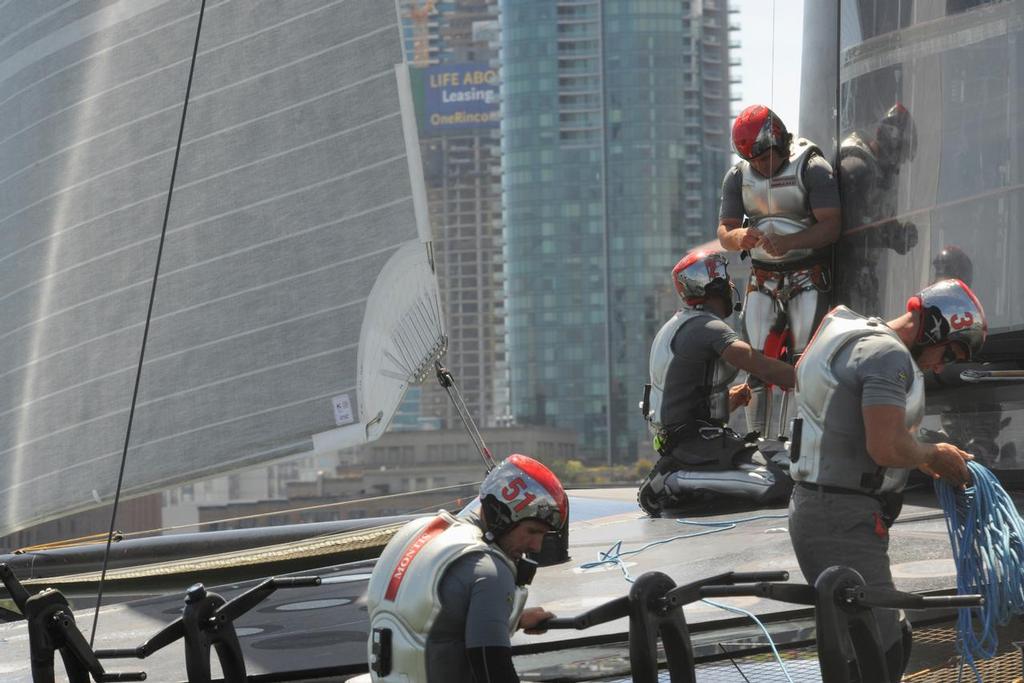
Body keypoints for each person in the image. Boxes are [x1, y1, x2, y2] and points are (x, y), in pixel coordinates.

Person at [788, 278, 987, 682]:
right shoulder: (887, 357)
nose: (939, 366)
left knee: (876, 636)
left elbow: (866, 434)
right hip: (841, 520)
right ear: (933, 328)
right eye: (947, 351)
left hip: (826, 510)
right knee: (878, 652)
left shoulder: (852, 333)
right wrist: (934, 455)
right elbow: (884, 445)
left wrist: (923, 460)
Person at [365, 454, 567, 682]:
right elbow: (493, 670)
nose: (536, 546)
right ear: (502, 516)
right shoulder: (491, 571)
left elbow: (431, 619)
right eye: (532, 531)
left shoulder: (418, 533)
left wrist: (513, 619)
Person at [637, 250, 797, 515]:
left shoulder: (682, 323)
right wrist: (815, 377)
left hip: (698, 441)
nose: (731, 286)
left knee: (790, 463)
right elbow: (763, 367)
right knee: (777, 483)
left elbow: (684, 402)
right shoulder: (708, 327)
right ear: (716, 286)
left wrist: (728, 401)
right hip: (694, 448)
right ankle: (670, 480)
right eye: (726, 281)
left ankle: (688, 478)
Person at [718, 104, 842, 437]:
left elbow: (832, 226)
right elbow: (725, 232)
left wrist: (791, 242)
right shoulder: (738, 177)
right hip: (762, 278)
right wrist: (741, 237)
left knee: (807, 364)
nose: (759, 167)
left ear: (778, 142)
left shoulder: (813, 167)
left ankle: (801, 440)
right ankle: (757, 440)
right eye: (752, 162)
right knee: (755, 364)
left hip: (808, 275)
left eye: (762, 159)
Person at [837, 104, 920, 315]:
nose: (899, 165)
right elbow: (851, 229)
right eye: (899, 156)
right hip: (844, 273)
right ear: (891, 144)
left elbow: (874, 218)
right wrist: (891, 237)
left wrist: (897, 233)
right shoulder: (856, 167)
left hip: (862, 275)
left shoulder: (877, 172)